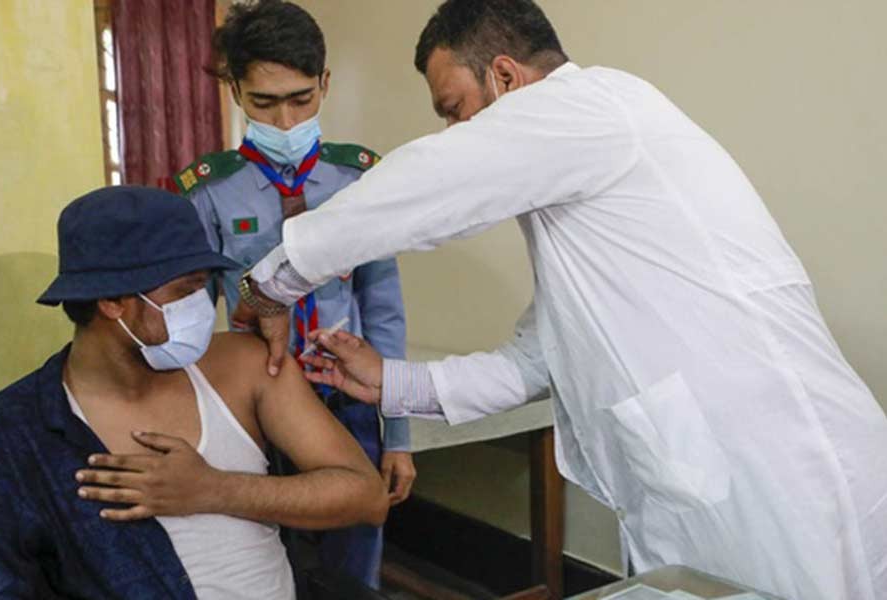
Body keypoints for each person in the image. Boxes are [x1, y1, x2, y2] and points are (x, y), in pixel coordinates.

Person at [233, 1, 887, 599]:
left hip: (785, 483)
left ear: (507, 79)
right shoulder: (591, 192)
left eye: (458, 109)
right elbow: (536, 359)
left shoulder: (595, 108)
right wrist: (392, 381)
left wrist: (272, 284)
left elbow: (433, 185)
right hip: (716, 494)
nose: (461, 130)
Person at [0, 186, 387, 599]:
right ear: (111, 300)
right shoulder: (15, 433)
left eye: (203, 287)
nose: (203, 305)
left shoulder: (245, 366)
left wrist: (214, 490)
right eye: (184, 291)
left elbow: (366, 496)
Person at [172, 2, 415, 587]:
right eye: (264, 101)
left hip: (348, 398)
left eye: (301, 98)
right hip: (257, 404)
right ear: (235, 91)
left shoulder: (359, 179)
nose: (284, 120)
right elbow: (193, 318)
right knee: (265, 564)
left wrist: (398, 437)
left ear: (325, 84)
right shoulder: (209, 190)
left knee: (353, 568)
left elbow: (384, 312)